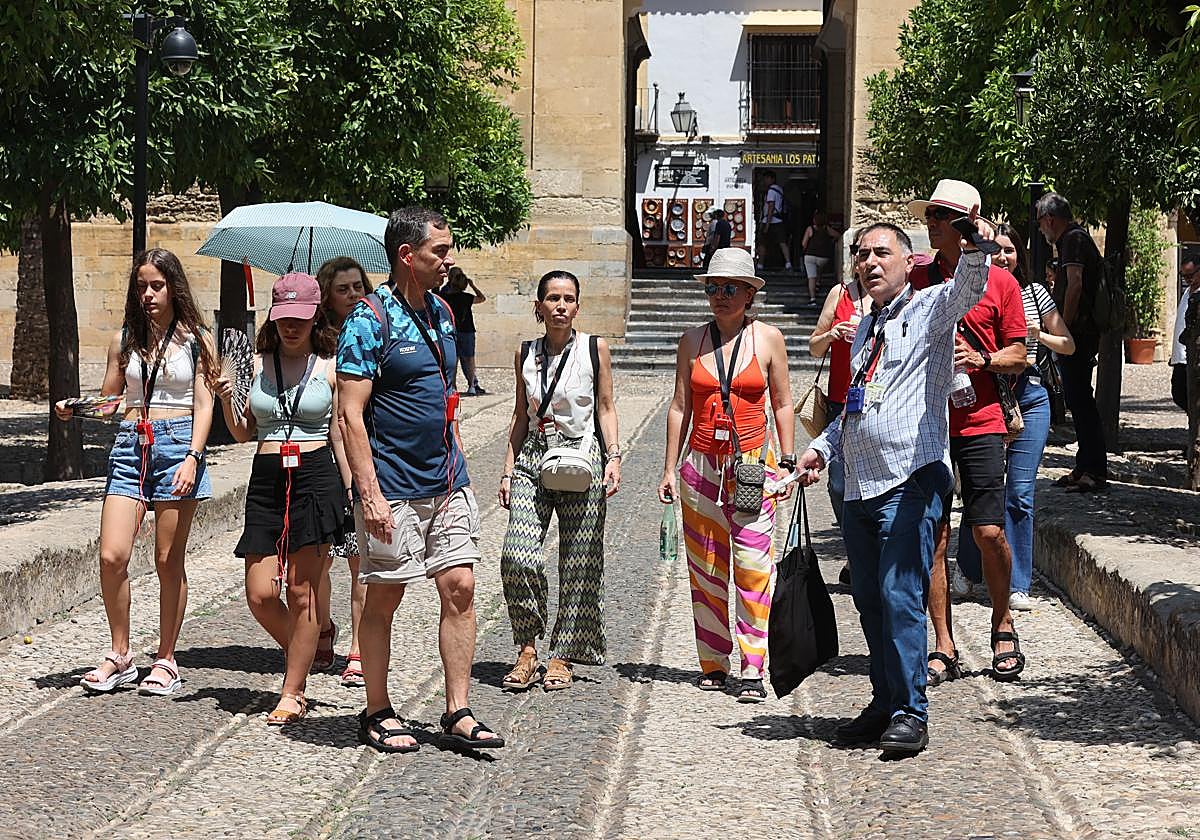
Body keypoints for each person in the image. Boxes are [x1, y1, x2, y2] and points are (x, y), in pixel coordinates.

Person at [797, 213, 992, 755]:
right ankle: (885, 702)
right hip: (859, 485)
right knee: (869, 600)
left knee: (899, 593)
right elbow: (854, 407)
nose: (869, 262)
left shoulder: (931, 308)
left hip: (912, 477)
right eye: (862, 254)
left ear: (908, 262)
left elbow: (970, 287)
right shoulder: (862, 328)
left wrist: (976, 244)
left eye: (882, 252)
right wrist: (820, 448)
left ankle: (912, 712)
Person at [338, 206, 504, 754]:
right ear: (407, 256)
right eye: (440, 251)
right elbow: (350, 416)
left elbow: (442, 399)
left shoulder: (442, 313)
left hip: (447, 479)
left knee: (461, 587)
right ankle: (377, 708)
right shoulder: (368, 321)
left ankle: (457, 708)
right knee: (385, 595)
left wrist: (461, 471)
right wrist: (369, 494)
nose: (449, 260)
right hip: (394, 486)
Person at [56, 248, 216, 696]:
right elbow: (111, 403)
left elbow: (204, 405)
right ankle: (121, 653)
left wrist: (193, 456)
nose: (147, 294)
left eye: (156, 285)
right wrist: (79, 408)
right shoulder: (124, 339)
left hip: (177, 443)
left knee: (168, 560)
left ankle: (166, 658)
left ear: (173, 287)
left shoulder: (198, 338)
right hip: (131, 445)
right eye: (141, 286)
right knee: (112, 556)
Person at [657, 247, 796, 703]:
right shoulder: (691, 340)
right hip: (700, 467)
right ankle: (713, 662)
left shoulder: (768, 338)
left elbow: (781, 402)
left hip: (752, 465)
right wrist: (668, 468)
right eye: (714, 288)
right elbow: (680, 406)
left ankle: (753, 665)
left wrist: (789, 457)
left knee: (755, 569)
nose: (720, 296)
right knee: (707, 568)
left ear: (749, 293)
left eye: (730, 288)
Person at [908, 182, 1028, 691]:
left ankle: (1002, 622)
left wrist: (982, 359)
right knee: (933, 540)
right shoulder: (915, 275)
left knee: (988, 533)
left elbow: (1020, 356)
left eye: (947, 216)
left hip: (981, 421)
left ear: (970, 223)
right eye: (933, 214)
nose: (935, 222)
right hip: (929, 422)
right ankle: (944, 644)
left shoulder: (1000, 282)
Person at [216, 273, 347, 724]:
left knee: (301, 591)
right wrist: (228, 399)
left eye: (300, 318)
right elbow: (242, 433)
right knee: (259, 593)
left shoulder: (331, 365)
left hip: (315, 476)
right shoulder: (256, 363)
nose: (292, 326)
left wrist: (353, 490)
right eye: (284, 318)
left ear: (315, 317)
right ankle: (310, 644)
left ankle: (293, 691)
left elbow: (340, 432)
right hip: (267, 476)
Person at [497, 270, 621, 692]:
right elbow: (519, 413)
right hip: (535, 454)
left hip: (582, 454)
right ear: (539, 306)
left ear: (578, 307)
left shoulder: (593, 348)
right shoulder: (525, 353)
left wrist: (614, 456)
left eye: (569, 298)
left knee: (580, 560)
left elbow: (606, 406)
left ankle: (562, 655)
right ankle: (527, 647)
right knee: (518, 554)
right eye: (552, 298)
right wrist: (507, 466)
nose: (561, 306)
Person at [955, 225, 1075, 614]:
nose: (1003, 256)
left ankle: (1018, 583)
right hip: (988, 394)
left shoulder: (1034, 294)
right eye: (997, 250)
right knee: (981, 485)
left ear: (1019, 254)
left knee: (1020, 492)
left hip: (1030, 395)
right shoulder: (975, 289)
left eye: (1010, 250)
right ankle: (970, 570)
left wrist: (1038, 334)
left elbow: (1068, 344)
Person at [315, 256, 373, 685]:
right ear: (327, 297)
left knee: (358, 560)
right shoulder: (315, 344)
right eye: (343, 289)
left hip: (358, 457)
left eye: (358, 287)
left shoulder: (373, 334)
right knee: (316, 563)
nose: (353, 295)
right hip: (318, 462)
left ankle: (358, 645)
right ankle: (321, 627)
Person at [1037, 192, 1109, 492]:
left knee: (1081, 399)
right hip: (1080, 332)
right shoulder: (1075, 238)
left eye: (1041, 224)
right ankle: (1084, 465)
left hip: (1078, 333)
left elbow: (1075, 285)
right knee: (1077, 399)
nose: (1041, 231)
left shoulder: (1072, 240)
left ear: (1050, 219)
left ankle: (1094, 469)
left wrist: (1061, 328)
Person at [438, 266, 488, 395]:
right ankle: (471, 385)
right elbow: (482, 298)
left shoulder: (444, 295)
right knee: (468, 359)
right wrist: (473, 285)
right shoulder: (465, 297)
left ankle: (454, 386)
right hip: (465, 330)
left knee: (454, 359)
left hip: (452, 330)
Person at [1171, 257, 1199, 411]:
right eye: (1184, 276)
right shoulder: (1188, 292)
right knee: (1179, 393)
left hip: (1194, 355)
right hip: (1181, 356)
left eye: (1190, 275)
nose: (1187, 279)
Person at [756, 170, 792, 271]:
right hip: (779, 220)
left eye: (766, 178)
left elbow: (771, 207)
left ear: (772, 179)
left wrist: (767, 224)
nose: (764, 181)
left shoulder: (771, 191)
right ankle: (788, 263)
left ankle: (760, 264)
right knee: (782, 242)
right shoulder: (779, 190)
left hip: (770, 220)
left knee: (762, 243)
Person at [802, 211, 839, 307]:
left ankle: (812, 298)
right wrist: (831, 242)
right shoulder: (827, 229)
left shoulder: (810, 229)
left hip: (810, 255)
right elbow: (838, 235)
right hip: (823, 256)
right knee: (819, 269)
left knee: (811, 277)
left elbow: (804, 243)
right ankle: (818, 283)